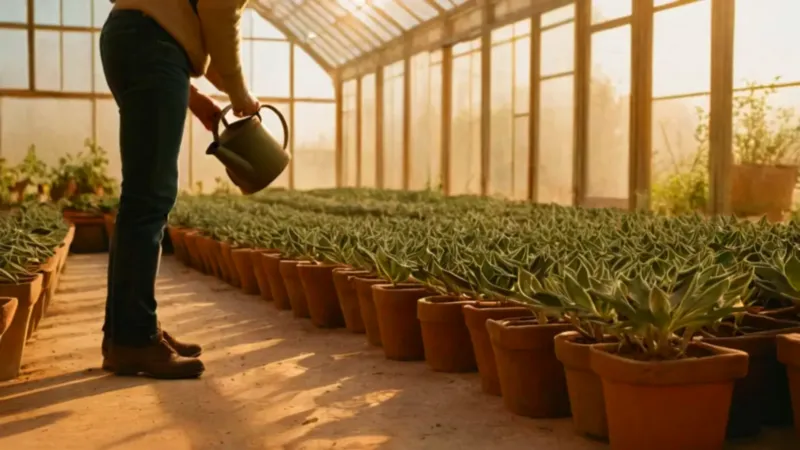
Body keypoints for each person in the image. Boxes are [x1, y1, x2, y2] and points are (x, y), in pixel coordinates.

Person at [100, 0, 259, 379]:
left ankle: (124, 334)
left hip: (129, 37)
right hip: (152, 45)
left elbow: (167, 20)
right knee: (150, 197)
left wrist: (198, 98)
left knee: (141, 196)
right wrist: (241, 97)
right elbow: (220, 15)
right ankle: (136, 338)